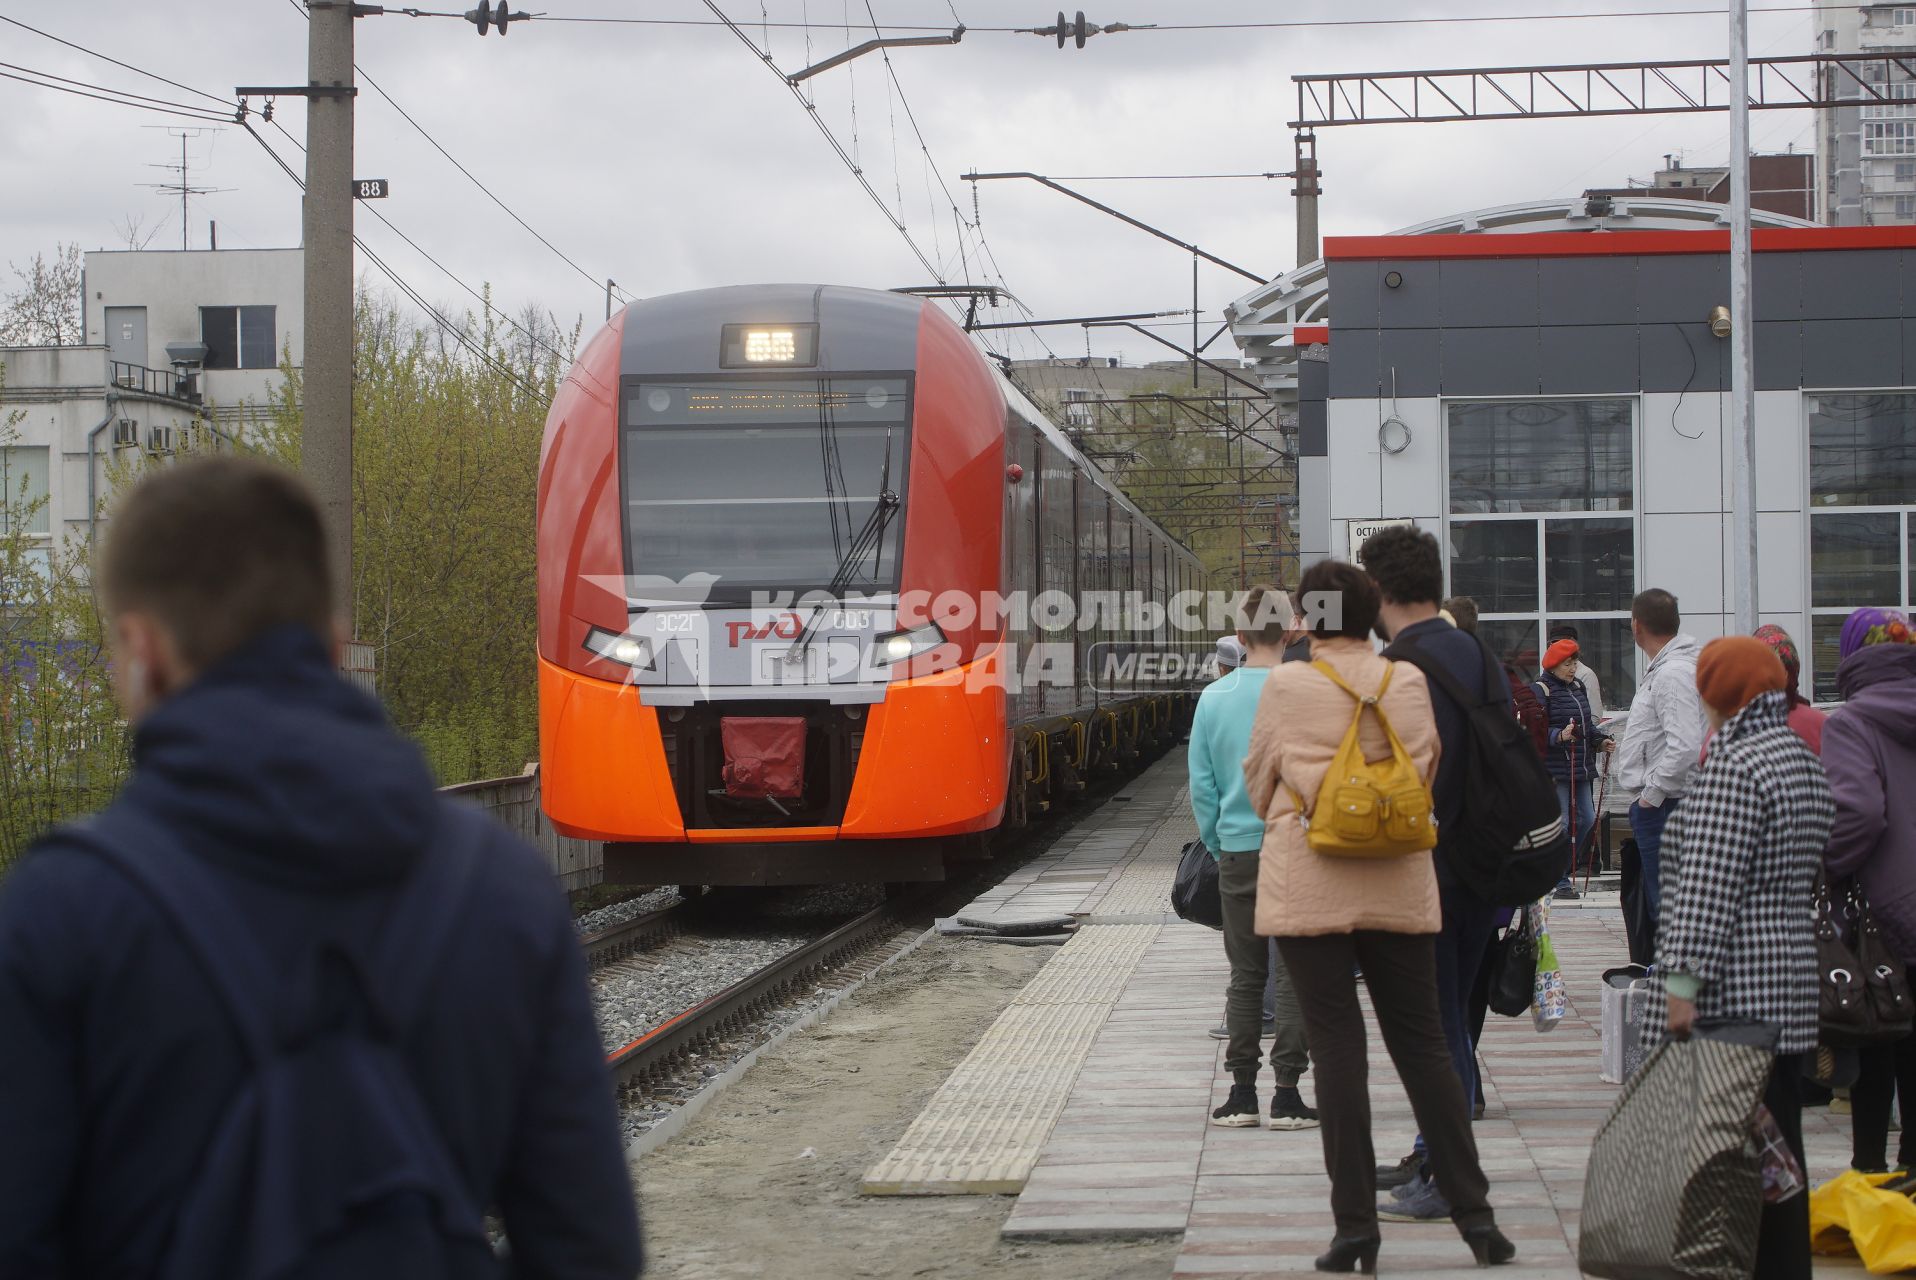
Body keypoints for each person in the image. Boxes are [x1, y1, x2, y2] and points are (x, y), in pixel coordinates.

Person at [0, 458, 643, 1278]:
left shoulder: (60, 915)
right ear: (332, 643)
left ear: (141, 651)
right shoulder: (503, 890)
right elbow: (591, 1251)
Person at [1245, 559, 1515, 1271]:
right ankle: (1478, 1220)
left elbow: (1257, 780)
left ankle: (1356, 1231)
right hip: (1398, 883)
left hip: (1309, 884)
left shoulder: (1287, 684)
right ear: (1369, 612)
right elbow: (1424, 769)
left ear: (1309, 617)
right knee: (1426, 1049)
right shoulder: (1408, 680)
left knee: (1338, 1051)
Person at [1647, 636, 1831, 1280]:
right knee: (1779, 1153)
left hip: (1734, 992)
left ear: (1714, 692)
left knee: (1737, 1159)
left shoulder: (1735, 765)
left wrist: (1679, 988)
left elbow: (1705, 888)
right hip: (1786, 984)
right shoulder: (1800, 756)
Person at [1361, 526, 1508, 1222]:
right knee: (1450, 1017)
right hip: (1487, 864)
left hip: (1431, 867)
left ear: (1378, 590)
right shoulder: (1478, 653)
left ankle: (1448, 1176)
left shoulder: (1399, 667)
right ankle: (1431, 1154)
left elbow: (1397, 776)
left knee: (1434, 1024)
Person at [1191, 587, 1318, 1129]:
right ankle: (1287, 1094)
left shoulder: (1215, 698)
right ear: (1290, 633)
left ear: (1240, 638)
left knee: (1246, 975)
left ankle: (1241, 1094)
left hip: (1239, 853)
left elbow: (1203, 787)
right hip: (1300, 852)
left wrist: (1222, 845)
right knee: (1293, 975)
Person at [1821, 608, 1916, 1174]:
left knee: (1879, 1038)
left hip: (1886, 917)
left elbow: (1857, 812)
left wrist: (1827, 867)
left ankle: (1871, 1174)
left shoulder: (1853, 723)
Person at [1615, 589, 1707, 925]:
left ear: (1636, 626)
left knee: (1668, 912)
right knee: (1669, 907)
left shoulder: (1672, 674)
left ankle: (1673, 974)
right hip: (1669, 802)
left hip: (1668, 804)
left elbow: (1685, 745)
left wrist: (1651, 796)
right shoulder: (1672, 669)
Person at [1535, 636, 1612, 899]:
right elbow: (1535, 732)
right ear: (1554, 665)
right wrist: (1559, 736)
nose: (1572, 668)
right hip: (1556, 768)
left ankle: (1561, 869)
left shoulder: (1577, 688)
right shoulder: (1541, 690)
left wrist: (1601, 742)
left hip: (1580, 765)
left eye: (1575, 662)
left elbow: (1588, 728)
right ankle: (1559, 878)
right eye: (1567, 663)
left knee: (1588, 819)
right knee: (1564, 823)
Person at [1547, 622, 1604, 718]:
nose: (1558, 648)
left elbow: (1595, 715)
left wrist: (1576, 731)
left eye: (1563, 643)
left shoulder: (1586, 674)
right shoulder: (1545, 675)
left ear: (1575, 645)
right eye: (1554, 644)